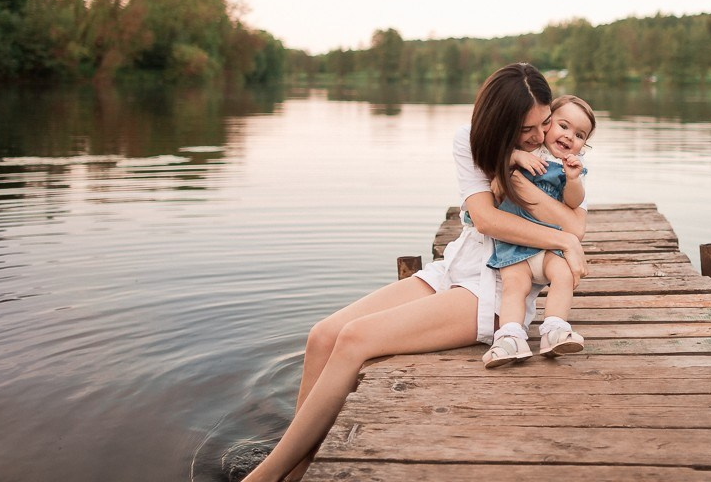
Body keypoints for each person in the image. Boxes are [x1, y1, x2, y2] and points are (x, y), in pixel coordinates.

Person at [235, 63, 589, 482]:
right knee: (323, 335)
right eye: (527, 128)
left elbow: (574, 225)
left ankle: (262, 477)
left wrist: (561, 233)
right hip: (455, 266)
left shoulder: (556, 163)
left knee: (354, 339)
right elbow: (486, 219)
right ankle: (300, 468)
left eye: (544, 122)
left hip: (495, 287)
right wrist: (523, 180)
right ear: (501, 122)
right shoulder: (470, 141)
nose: (539, 135)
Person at [482, 95, 597, 369]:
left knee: (563, 275)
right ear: (546, 124)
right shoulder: (522, 150)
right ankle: (509, 337)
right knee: (515, 286)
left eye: (580, 135)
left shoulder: (569, 168)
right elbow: (497, 175)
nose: (570, 137)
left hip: (548, 246)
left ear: (584, 145)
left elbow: (573, 202)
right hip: (517, 243)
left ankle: (554, 329)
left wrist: (572, 179)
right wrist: (515, 156)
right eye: (564, 126)